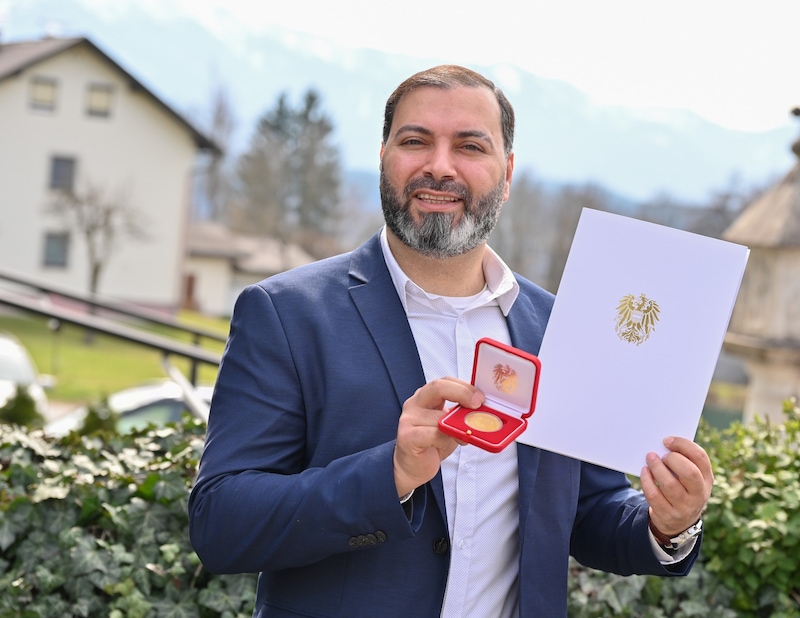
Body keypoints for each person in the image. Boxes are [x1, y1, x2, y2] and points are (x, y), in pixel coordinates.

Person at [188, 65, 713, 617]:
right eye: (415, 141)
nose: (439, 167)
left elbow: (589, 509)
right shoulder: (287, 314)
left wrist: (666, 524)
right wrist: (390, 474)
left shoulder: (559, 328)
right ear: (384, 158)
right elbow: (222, 523)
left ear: (506, 174)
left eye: (469, 146)